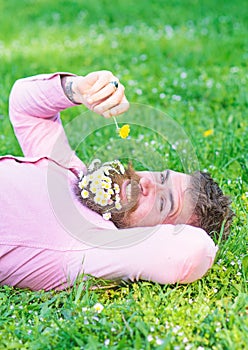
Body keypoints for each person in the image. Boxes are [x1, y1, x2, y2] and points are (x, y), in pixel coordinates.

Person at [0, 70, 232, 291]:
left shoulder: (90, 246)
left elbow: (192, 250)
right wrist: (78, 89)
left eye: (163, 203)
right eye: (162, 176)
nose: (147, 183)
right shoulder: (75, 173)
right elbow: (25, 108)